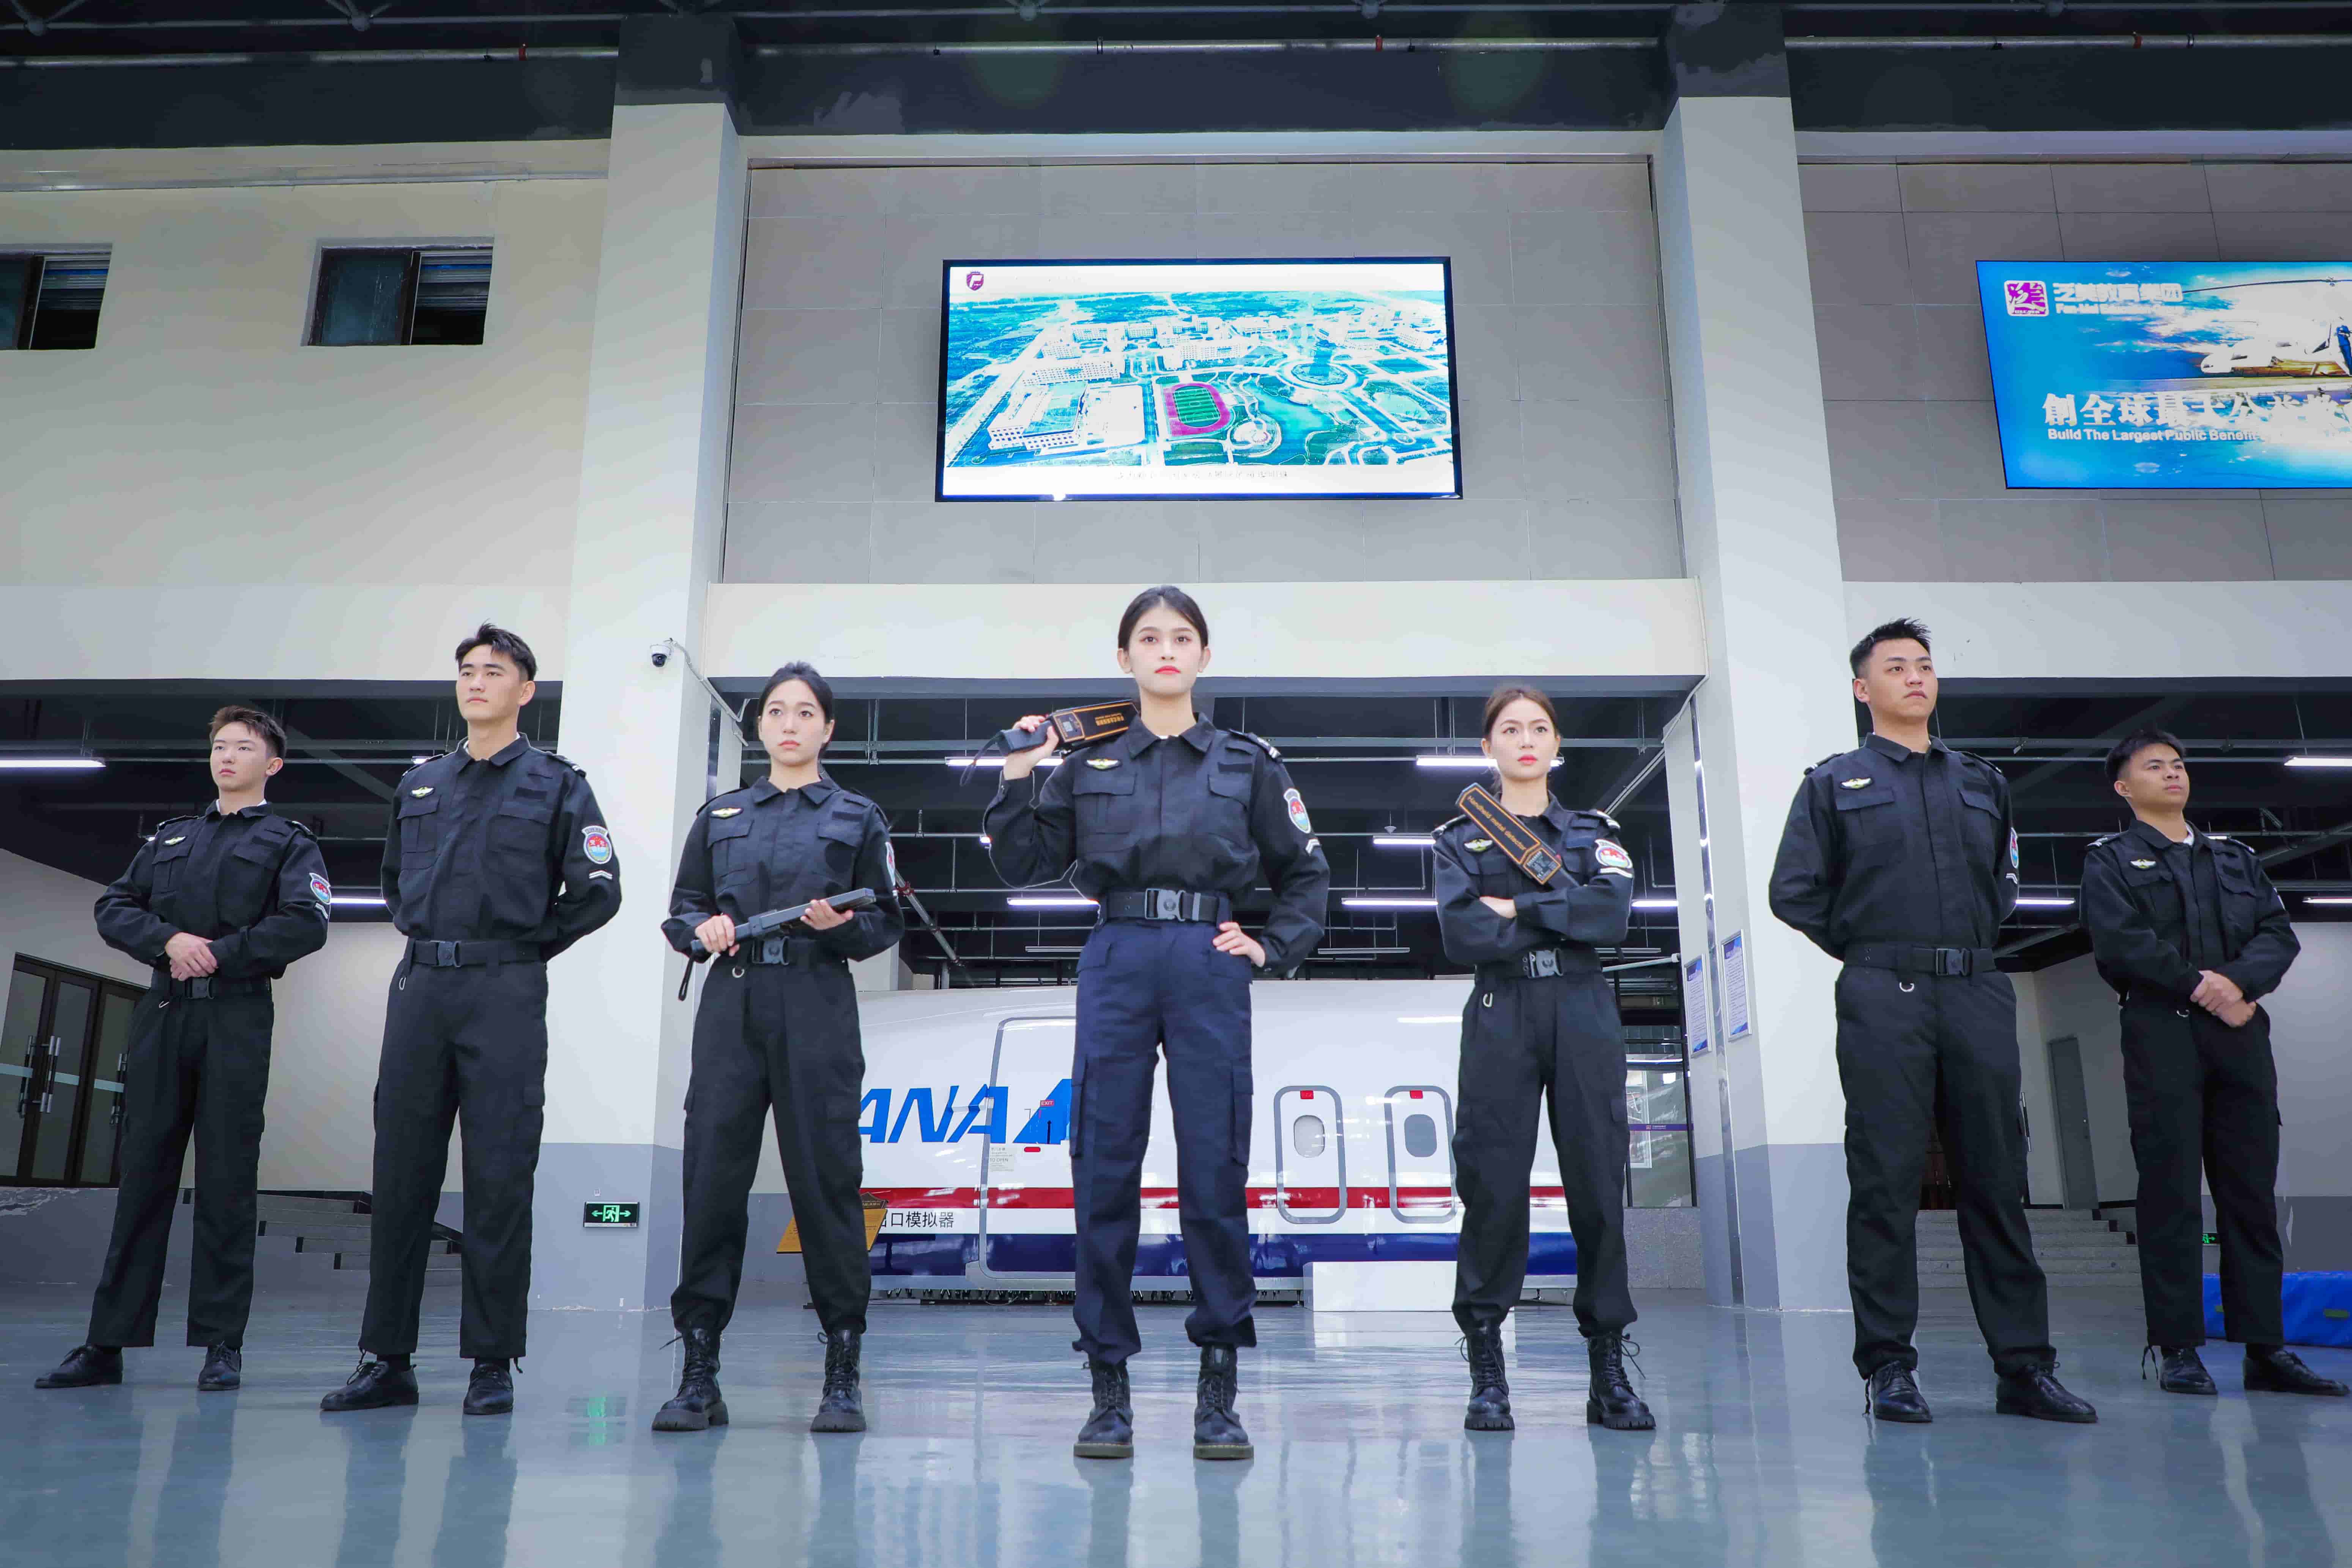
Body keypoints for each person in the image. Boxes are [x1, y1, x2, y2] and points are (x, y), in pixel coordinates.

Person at [985, 586, 1330, 1462]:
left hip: (1210, 958)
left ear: (1204, 656)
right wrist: (1019, 770)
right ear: (1125, 658)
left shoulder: (1249, 763)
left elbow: (1306, 870)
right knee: (1104, 1165)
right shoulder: (1085, 764)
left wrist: (1271, 945)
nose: (1166, 648)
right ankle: (1109, 1388)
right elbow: (1023, 861)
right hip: (1120, 954)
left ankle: (1219, 1387)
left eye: (1182, 636)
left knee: (1215, 1164)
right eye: (1149, 637)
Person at [1768, 617, 2095, 1424]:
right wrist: (1872, 948)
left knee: (1997, 1180)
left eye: (1923, 665)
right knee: (1884, 1182)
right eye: (1895, 667)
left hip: (1977, 988)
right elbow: (1793, 892)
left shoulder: (1981, 781)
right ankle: (1888, 1366)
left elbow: (2004, 882)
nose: (1915, 676)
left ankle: (2024, 1368)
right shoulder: (1834, 784)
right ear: (1862, 688)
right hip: (1884, 992)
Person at [320, 623, 622, 1417]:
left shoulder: (557, 785)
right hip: (421, 988)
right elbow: (394, 881)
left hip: (505, 992)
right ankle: (386, 1359)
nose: (476, 681)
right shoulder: (421, 783)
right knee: (401, 1178)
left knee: (499, 1179)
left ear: (526, 690)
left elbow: (599, 889)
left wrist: (525, 947)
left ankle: (492, 1362)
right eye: (466, 670)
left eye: (494, 670)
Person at [38, 707, 331, 1393]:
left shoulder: (289, 843)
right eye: (219, 746)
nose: (227, 757)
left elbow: (306, 923)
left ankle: (222, 1345)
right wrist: (168, 941)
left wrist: (219, 954)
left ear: (272, 764)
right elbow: (115, 907)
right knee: (142, 1178)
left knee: (228, 1183)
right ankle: (106, 1344)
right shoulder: (171, 837)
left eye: (243, 748)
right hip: (164, 1013)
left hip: (236, 1015)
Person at [652, 662, 905, 1435]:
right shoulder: (720, 815)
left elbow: (885, 920)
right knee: (711, 1182)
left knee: (828, 1183)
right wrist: (700, 929)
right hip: (731, 1003)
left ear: (827, 728)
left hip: (816, 999)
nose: (789, 724)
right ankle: (699, 1374)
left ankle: (842, 1372)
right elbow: (682, 909)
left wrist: (840, 928)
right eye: (775, 712)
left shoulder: (858, 816)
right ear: (760, 725)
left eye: (804, 712)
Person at [2079, 730, 2345, 1398]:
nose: (2172, 774)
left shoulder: (2235, 858)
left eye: (2177, 764)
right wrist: (2204, 987)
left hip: (2240, 1037)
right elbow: (2120, 943)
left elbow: (2276, 934)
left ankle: (2265, 1349)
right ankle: (2178, 1349)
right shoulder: (2109, 862)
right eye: (2154, 767)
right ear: (2123, 788)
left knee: (2249, 1199)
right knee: (2169, 1198)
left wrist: (2238, 987)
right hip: (2161, 1033)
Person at [1434, 685, 1652, 1434]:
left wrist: (1518, 907)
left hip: (1585, 1008)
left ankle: (1608, 1371)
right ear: (1488, 746)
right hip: (1501, 1010)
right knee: (1493, 1187)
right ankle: (1487, 1372)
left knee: (1597, 1182)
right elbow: (1464, 935)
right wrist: (1565, 914)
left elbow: (1612, 917)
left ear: (1556, 744)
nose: (1525, 740)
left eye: (1538, 728)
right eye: (1510, 729)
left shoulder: (1595, 832)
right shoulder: (1458, 840)